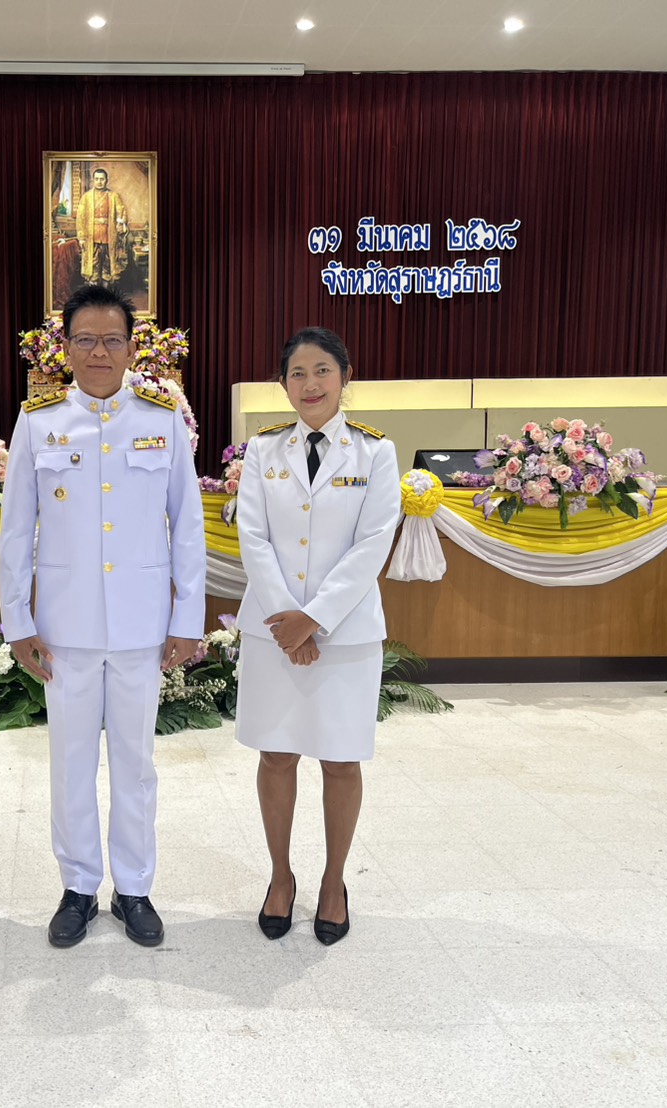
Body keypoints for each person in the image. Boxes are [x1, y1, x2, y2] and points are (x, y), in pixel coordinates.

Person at [0, 284, 206, 948]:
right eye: (84, 339)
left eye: (111, 339)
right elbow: (15, 529)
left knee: (135, 762)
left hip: (143, 624)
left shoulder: (160, 419)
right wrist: (17, 622)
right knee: (70, 762)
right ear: (64, 346)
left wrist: (187, 618)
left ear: (130, 347)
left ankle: (135, 888)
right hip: (66, 628)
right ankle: (79, 887)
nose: (97, 352)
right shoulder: (38, 421)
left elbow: (187, 525)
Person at [233, 327, 401, 945]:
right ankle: (281, 877)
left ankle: (334, 882)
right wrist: (288, 620)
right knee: (276, 755)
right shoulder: (262, 451)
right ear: (283, 385)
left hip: (345, 635)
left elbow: (373, 543)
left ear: (345, 376)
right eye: (297, 373)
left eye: (322, 370)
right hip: (273, 631)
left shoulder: (375, 453)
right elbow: (253, 537)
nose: (310, 384)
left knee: (340, 759)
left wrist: (315, 619)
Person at [75, 167, 128, 288]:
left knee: (107, 266)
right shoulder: (86, 197)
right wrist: (81, 237)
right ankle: (94, 293)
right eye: (97, 179)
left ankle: (105, 292)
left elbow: (121, 212)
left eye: (102, 179)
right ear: (93, 180)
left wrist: (121, 223)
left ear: (106, 180)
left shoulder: (114, 196)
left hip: (109, 236)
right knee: (93, 266)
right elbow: (80, 218)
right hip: (91, 237)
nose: (99, 181)